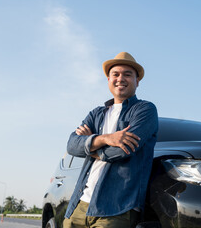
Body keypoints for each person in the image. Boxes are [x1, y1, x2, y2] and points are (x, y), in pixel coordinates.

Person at [63, 52, 158, 228]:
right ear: (108, 80)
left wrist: (90, 147)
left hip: (117, 208)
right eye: (116, 74)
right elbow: (71, 145)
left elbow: (123, 150)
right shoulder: (96, 114)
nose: (120, 78)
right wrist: (107, 138)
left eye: (127, 74)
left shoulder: (144, 110)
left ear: (137, 81)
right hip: (80, 204)